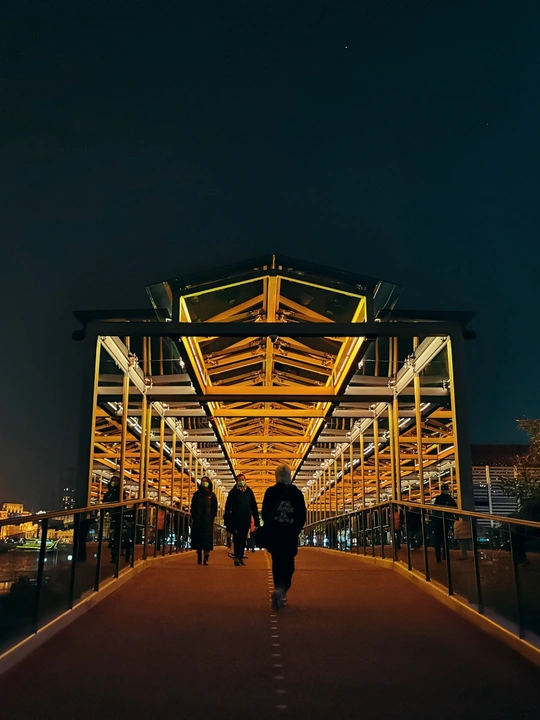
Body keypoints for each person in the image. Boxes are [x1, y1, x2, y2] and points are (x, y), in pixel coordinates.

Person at [262, 464, 306, 610]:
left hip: (275, 534)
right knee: (288, 565)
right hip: (289, 535)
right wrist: (295, 529)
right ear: (289, 476)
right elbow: (301, 515)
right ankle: (282, 590)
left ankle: (278, 589)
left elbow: (265, 514)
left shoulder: (270, 492)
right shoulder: (296, 494)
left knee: (277, 562)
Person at [224, 474, 259, 565]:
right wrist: (227, 521)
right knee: (236, 538)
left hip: (245, 519)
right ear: (236, 481)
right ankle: (237, 556)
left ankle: (240, 556)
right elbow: (228, 507)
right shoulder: (233, 493)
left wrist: (256, 521)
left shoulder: (249, 492)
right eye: (239, 480)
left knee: (243, 538)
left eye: (243, 479)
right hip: (235, 520)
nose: (241, 481)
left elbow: (254, 506)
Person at [190, 476, 218, 565]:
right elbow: (193, 506)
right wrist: (194, 516)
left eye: (206, 481)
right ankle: (199, 555)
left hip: (207, 521)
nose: (204, 483)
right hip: (198, 520)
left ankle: (206, 557)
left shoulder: (212, 495)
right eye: (202, 481)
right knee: (198, 538)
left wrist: (211, 517)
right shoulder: (196, 494)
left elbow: (214, 508)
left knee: (207, 539)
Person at [430, 485, 457, 563]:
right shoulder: (450, 499)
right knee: (445, 540)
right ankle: (445, 555)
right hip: (445, 521)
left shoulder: (438, 498)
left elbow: (435, 509)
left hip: (437, 521)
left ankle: (438, 556)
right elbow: (455, 508)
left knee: (437, 540)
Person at [103, 475, 121, 563]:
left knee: (116, 534)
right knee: (113, 534)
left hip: (117, 516)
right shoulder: (108, 493)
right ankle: (114, 553)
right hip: (112, 515)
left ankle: (115, 554)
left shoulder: (119, 493)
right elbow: (104, 502)